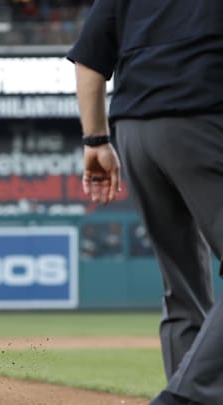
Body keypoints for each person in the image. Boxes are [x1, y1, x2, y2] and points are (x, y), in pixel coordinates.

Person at [68, 1, 223, 404]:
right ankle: (184, 397)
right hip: (203, 117)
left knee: (184, 286)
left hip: (134, 132)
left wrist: (96, 141)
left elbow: (89, 60)